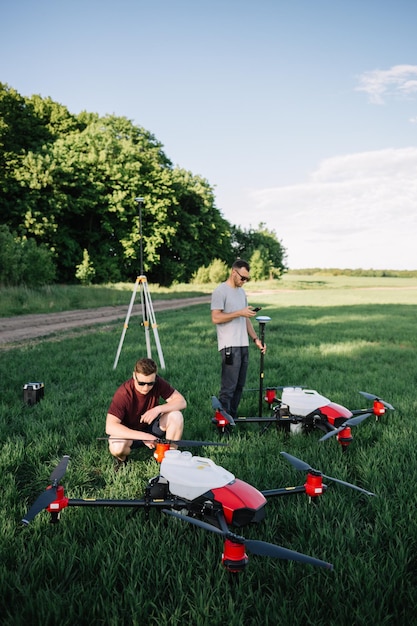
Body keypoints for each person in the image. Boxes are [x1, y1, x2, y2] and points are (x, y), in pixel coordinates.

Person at [211, 259, 266, 419]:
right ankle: (223, 423)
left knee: (240, 386)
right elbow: (216, 317)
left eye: (247, 279)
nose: (244, 281)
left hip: (243, 345)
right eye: (242, 277)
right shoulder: (220, 291)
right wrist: (239, 313)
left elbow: (245, 319)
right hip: (229, 346)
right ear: (233, 272)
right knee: (229, 387)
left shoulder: (241, 292)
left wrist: (255, 339)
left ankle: (232, 418)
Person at [106, 357, 186, 465]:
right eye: (141, 383)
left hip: (151, 429)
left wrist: (158, 409)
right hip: (130, 435)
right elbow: (110, 427)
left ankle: (169, 458)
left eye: (150, 384)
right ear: (134, 376)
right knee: (116, 446)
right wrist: (144, 437)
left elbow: (181, 402)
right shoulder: (123, 393)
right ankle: (122, 461)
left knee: (176, 416)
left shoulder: (158, 382)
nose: (146, 388)